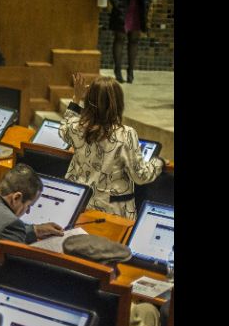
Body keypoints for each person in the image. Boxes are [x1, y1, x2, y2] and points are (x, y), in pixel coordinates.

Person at [59, 74, 163, 219]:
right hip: (111, 212)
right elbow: (140, 176)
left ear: (88, 101)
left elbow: (64, 126)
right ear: (118, 103)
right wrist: (158, 162)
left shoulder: (76, 127)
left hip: (77, 205)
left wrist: (77, 97)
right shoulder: (125, 134)